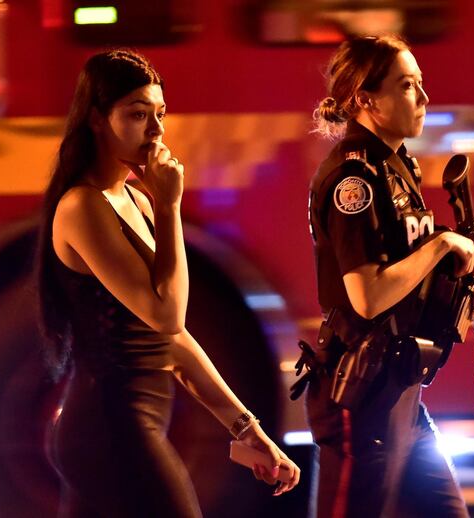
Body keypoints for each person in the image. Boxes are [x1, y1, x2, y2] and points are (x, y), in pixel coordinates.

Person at [35, 49, 300, 517]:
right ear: (97, 119)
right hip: (109, 425)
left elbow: (174, 339)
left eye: (159, 114)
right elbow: (167, 313)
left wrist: (246, 428)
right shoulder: (83, 206)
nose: (156, 131)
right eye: (137, 115)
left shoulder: (134, 199)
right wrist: (170, 206)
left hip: (131, 423)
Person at [297, 36, 474, 518]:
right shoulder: (354, 180)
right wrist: (442, 245)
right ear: (366, 99)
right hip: (362, 401)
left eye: (421, 84)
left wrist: (458, 293)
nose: (424, 99)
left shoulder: (397, 163)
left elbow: (404, 273)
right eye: (407, 86)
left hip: (402, 392)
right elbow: (368, 295)